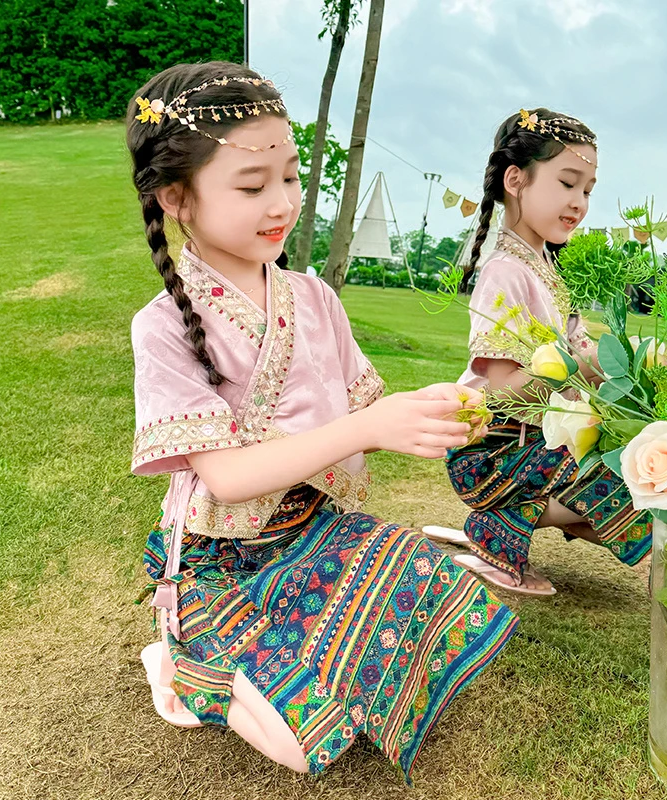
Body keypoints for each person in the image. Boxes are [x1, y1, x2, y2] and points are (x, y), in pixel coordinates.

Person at [126, 61, 518, 779]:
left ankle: (282, 650)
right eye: (253, 186)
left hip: (314, 527)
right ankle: (181, 656)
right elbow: (229, 476)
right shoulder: (162, 326)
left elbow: (369, 409)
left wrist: (433, 409)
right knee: (303, 746)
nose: (283, 202)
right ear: (177, 197)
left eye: (291, 176)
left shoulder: (314, 298)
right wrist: (367, 430)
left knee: (444, 586)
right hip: (226, 557)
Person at [424, 108, 651, 597]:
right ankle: (498, 524)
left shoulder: (545, 264)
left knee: (634, 475)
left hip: (533, 440)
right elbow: (504, 386)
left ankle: (506, 527)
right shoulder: (505, 270)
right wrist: (576, 371)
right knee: (615, 484)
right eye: (568, 183)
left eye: (587, 190)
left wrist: (622, 367)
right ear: (515, 180)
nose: (579, 203)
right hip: (490, 448)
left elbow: (579, 347)